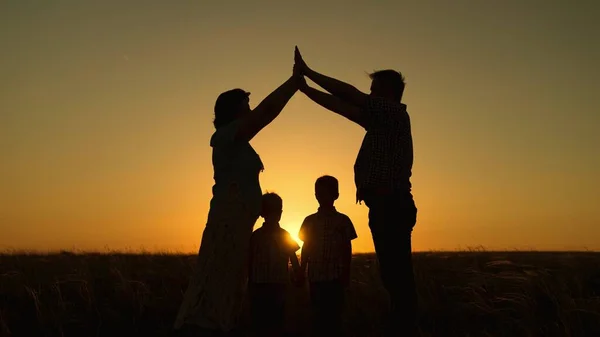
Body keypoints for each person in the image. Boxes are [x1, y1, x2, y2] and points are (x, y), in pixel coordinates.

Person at [173, 55, 306, 337]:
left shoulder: (238, 142)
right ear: (234, 110)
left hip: (238, 226)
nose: (250, 110)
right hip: (227, 224)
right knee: (215, 282)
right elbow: (267, 111)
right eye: (245, 105)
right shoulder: (226, 136)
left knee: (228, 286)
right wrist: (293, 83)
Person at [294, 47, 419, 336]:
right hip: (385, 206)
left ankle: (407, 327)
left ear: (388, 92)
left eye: (374, 90)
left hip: (392, 204)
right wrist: (306, 90)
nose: (370, 95)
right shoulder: (380, 122)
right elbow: (343, 107)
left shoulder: (395, 113)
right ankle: (403, 325)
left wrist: (309, 73)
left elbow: (349, 95)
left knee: (398, 275)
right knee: (393, 275)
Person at [298, 175, 357, 337]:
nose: (322, 197)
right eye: (319, 193)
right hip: (316, 276)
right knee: (317, 317)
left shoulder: (343, 221)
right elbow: (306, 247)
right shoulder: (309, 221)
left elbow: (347, 248)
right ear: (315, 195)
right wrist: (302, 270)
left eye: (326, 193)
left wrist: (346, 272)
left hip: (335, 277)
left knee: (334, 317)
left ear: (336, 195)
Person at [248, 192, 301, 337]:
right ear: (263, 213)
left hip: (278, 284)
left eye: (278, 210)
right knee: (262, 322)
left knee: (276, 321)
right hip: (260, 284)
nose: (277, 214)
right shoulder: (256, 236)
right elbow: (249, 259)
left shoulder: (283, 235)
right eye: (273, 211)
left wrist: (298, 274)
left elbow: (293, 257)